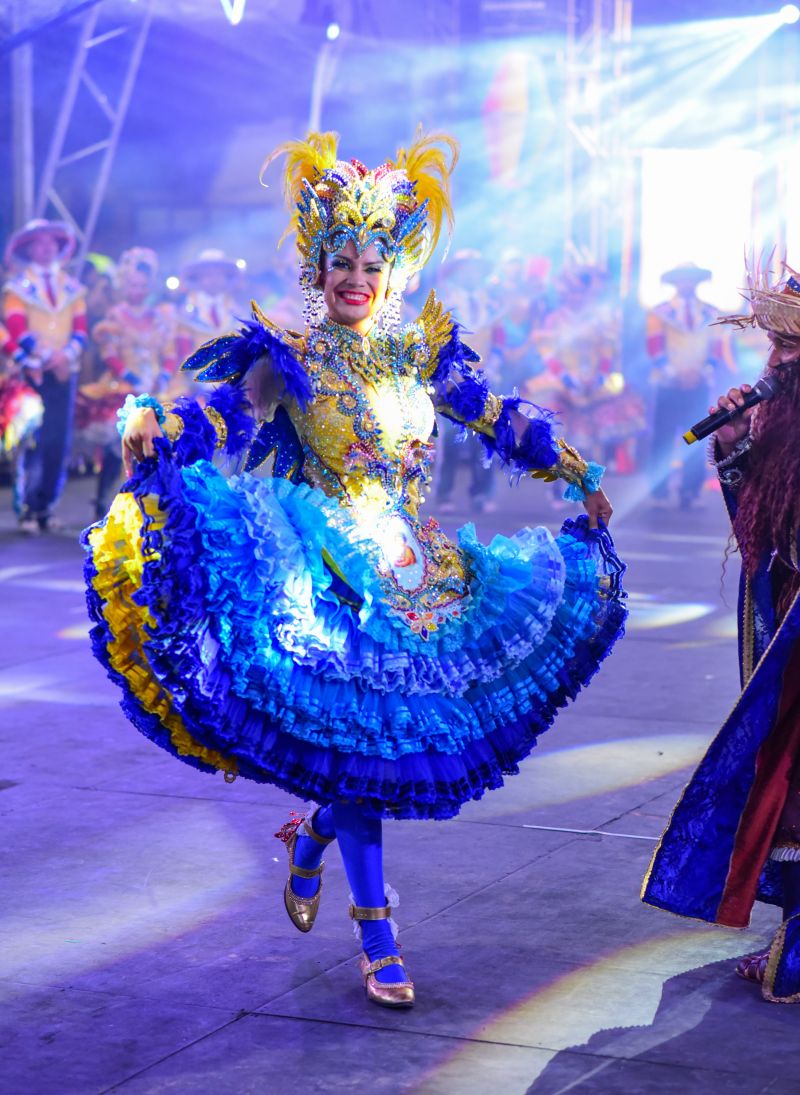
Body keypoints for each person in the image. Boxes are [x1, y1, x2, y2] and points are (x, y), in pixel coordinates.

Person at [84, 130, 627, 1010]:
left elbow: (498, 416)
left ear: (393, 268)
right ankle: (378, 935)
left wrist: (576, 471)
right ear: (318, 264)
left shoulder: (423, 351)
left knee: (387, 759)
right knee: (366, 751)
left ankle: (309, 839)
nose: (356, 277)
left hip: (420, 573)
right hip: (327, 573)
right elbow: (226, 412)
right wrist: (162, 423)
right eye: (342, 259)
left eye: (373, 262)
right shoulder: (288, 356)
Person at [642, 260, 800, 1005]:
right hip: (791, 613)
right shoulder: (780, 411)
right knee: (784, 771)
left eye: (792, 342)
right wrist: (735, 441)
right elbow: (758, 527)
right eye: (776, 344)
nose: (780, 355)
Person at [77, 248, 177, 518]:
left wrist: (165, 374)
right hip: (124, 386)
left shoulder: (160, 317)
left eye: (143, 285)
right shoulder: (115, 316)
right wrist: (129, 377)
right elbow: (108, 352)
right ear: (123, 285)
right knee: (116, 441)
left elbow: (169, 351)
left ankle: (158, 500)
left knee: (165, 441)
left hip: (157, 386)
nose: (138, 290)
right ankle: (105, 499)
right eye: (132, 284)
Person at [2, 219, 87, 532]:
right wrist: (44, 357)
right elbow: (16, 328)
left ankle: (46, 506)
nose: (46, 247)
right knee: (30, 441)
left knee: (57, 442)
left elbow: (80, 330)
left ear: (59, 248)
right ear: (29, 249)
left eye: (52, 242)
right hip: (31, 373)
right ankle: (26, 507)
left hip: (65, 372)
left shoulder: (72, 288)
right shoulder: (17, 288)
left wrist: (66, 355)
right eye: (39, 243)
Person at [645, 261, 734, 509]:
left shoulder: (711, 313)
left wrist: (702, 370)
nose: (686, 284)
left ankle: (690, 491)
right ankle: (659, 491)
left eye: (690, 279)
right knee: (663, 437)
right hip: (667, 383)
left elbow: (717, 348)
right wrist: (675, 372)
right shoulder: (659, 312)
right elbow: (654, 347)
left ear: (697, 282)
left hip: (698, 382)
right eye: (682, 279)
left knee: (695, 435)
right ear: (675, 283)